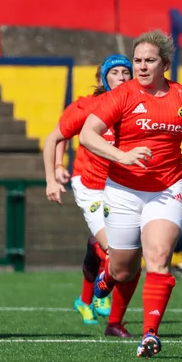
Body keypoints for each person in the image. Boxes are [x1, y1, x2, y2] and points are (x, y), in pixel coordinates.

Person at [79, 29, 182, 358]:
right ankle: (106, 277)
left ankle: (150, 334)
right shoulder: (122, 95)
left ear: (165, 64)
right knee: (124, 269)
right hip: (123, 190)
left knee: (158, 260)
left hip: (168, 190)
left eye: (149, 61)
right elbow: (87, 135)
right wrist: (121, 156)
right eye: (137, 60)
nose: (141, 67)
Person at [44, 54, 137, 337]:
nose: (122, 77)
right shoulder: (88, 106)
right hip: (91, 185)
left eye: (126, 72)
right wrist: (54, 173)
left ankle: (108, 315)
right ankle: (99, 291)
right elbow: (56, 137)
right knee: (113, 250)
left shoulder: (139, 105)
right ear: (103, 79)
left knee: (131, 258)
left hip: (124, 187)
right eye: (115, 72)